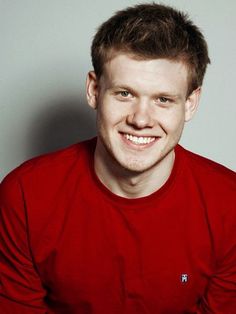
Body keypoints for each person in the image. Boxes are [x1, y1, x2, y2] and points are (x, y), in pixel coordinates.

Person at [0, 3, 235, 313]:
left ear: (191, 103)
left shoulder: (228, 204)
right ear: (94, 90)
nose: (140, 119)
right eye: (124, 93)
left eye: (163, 99)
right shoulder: (24, 195)